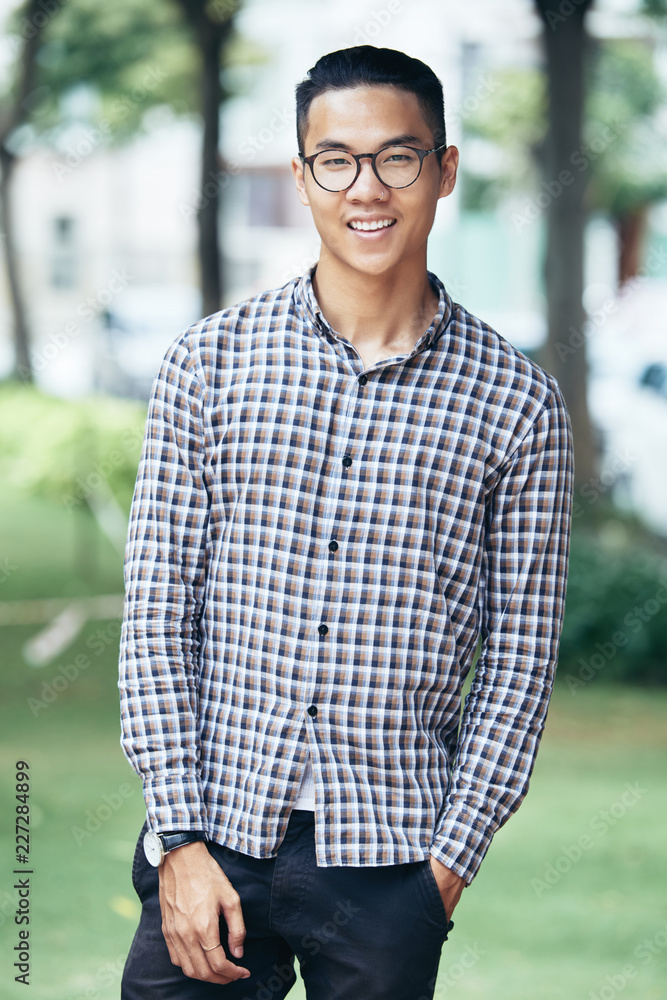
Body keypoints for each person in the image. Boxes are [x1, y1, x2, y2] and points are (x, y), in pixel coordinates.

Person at [118, 44, 574, 1000]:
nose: (366, 188)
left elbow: (521, 661)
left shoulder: (516, 405)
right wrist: (179, 842)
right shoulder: (208, 364)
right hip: (216, 841)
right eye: (336, 159)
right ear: (301, 175)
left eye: (397, 157)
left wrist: (445, 871)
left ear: (443, 170)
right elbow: (158, 615)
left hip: (392, 864)